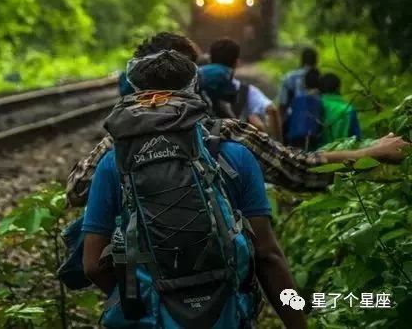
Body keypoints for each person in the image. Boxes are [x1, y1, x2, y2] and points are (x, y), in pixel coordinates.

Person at [83, 49, 307, 328]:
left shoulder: (113, 163)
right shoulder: (233, 155)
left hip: (150, 319)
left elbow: (92, 264)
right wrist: (298, 320)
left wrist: (137, 298)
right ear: (195, 90)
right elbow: (268, 257)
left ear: (134, 94)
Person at [66, 33, 409, 207]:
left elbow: (77, 190)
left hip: (138, 296)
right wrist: (372, 151)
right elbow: (302, 170)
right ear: (194, 79)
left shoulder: (118, 142)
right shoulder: (228, 134)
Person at [203, 38, 282, 139]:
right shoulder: (246, 90)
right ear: (236, 63)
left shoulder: (198, 84)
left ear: (210, 60)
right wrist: (278, 141)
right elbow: (272, 110)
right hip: (232, 144)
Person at [285, 68, 323, 150]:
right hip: (312, 137)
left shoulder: (297, 99)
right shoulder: (320, 100)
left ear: (305, 83)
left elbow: (289, 116)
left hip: (294, 136)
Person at [319, 73, 361, 144]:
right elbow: (357, 138)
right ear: (338, 88)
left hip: (314, 153)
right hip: (341, 152)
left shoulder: (315, 104)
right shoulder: (348, 109)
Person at [279, 46, 318, 119]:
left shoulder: (289, 77)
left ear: (302, 60)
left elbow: (282, 103)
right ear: (316, 61)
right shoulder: (320, 78)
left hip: (294, 119)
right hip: (315, 120)